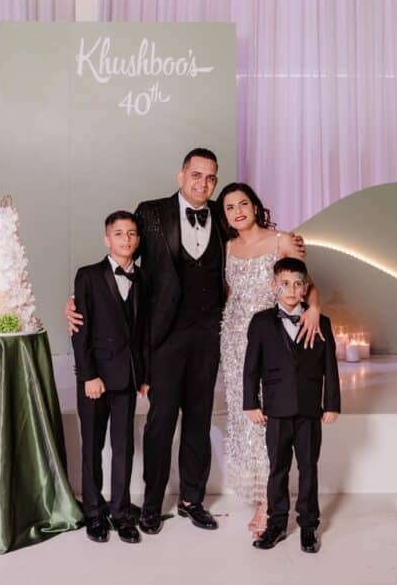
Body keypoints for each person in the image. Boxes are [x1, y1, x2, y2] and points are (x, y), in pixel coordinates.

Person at [66, 148, 315, 534]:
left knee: (198, 420)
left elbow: (266, 251)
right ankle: (151, 505)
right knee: (161, 421)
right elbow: (123, 258)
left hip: (211, 335)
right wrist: (81, 299)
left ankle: (191, 500)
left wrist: (293, 256)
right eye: (197, 175)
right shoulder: (150, 213)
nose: (204, 183)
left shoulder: (222, 215)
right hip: (163, 337)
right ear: (181, 176)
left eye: (211, 177)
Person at [216, 182, 322, 537]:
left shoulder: (282, 241)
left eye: (243, 204)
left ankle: (269, 503)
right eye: (230, 207)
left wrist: (314, 310)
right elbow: (229, 293)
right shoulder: (227, 247)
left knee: (271, 415)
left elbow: (306, 284)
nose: (238, 212)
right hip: (234, 339)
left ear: (256, 206)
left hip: (272, 339)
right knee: (246, 415)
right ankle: (261, 491)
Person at [243, 257, 340, 553]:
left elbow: (330, 367)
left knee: (309, 467)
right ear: (274, 285)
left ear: (305, 288)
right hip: (276, 409)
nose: (291, 290)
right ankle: (276, 523)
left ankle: (308, 526)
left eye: (298, 284)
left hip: (309, 409)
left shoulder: (321, 322)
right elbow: (251, 367)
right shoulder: (261, 322)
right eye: (284, 284)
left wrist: (331, 404)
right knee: (278, 468)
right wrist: (251, 403)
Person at [71, 210, 150, 544]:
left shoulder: (144, 278)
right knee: (92, 447)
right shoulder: (88, 276)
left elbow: (144, 332)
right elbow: (80, 331)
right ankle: (94, 512)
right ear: (107, 240)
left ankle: (120, 513)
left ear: (138, 239)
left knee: (123, 447)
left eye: (131, 234)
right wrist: (88, 375)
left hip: (128, 378)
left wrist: (143, 375)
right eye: (119, 234)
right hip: (96, 379)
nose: (126, 239)